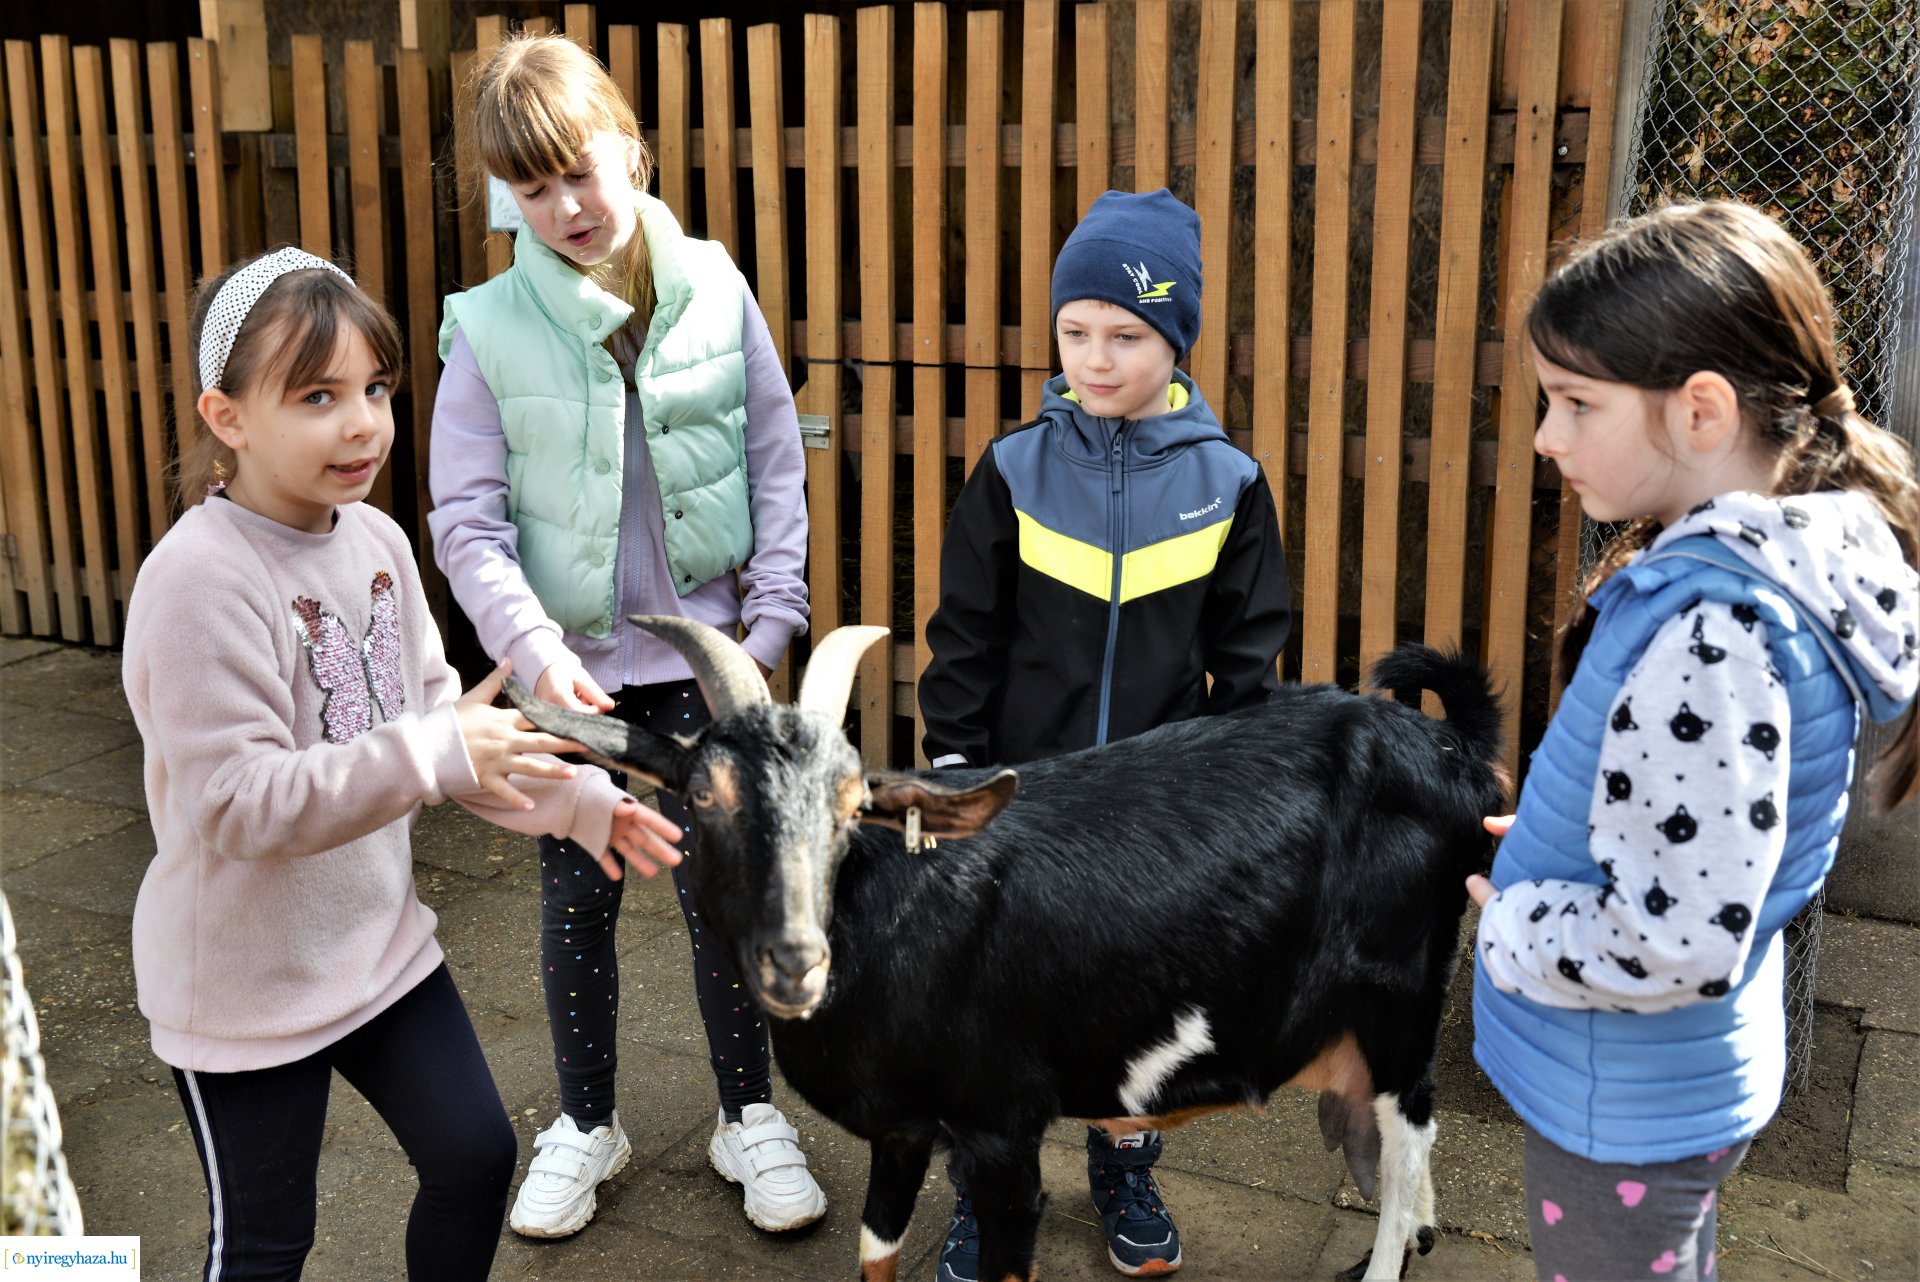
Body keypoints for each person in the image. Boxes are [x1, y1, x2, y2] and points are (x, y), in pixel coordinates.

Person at [124, 247, 686, 1282]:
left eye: (376, 388)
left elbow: (440, 729)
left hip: (378, 951)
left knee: (476, 1157)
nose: (363, 422)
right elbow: (236, 803)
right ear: (227, 417)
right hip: (241, 991)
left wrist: (578, 804)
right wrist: (433, 750)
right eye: (317, 395)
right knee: (263, 1245)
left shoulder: (377, 542)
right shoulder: (197, 581)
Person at [1468, 200, 1919, 1282]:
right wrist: (1569, 831)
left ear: (1702, 411)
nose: (1546, 435)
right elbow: (1701, 831)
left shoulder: (1718, 635)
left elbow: (1678, 939)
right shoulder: (1763, 570)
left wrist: (1518, 922)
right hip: (1661, 1080)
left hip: (1621, 1094)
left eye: (1576, 402)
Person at [428, 33, 818, 1241]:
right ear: (507, 194)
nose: (566, 207)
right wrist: (536, 650)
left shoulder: (713, 282)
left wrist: (772, 619)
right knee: (576, 896)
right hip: (574, 683)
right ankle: (587, 1121)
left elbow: (772, 447)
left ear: (631, 150)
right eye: (532, 188)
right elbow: (467, 520)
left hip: (711, 665)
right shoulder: (489, 328)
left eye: (582, 172)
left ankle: (749, 1114)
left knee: (726, 895)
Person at [918, 187, 1293, 1280]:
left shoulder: (1228, 482)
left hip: (1157, 814)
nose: (1095, 357)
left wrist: (1237, 799)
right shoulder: (1014, 470)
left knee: (1137, 999)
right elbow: (965, 636)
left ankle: (1126, 1168)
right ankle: (993, 1194)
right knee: (1001, 1007)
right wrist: (955, 769)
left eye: (1126, 336)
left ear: (1175, 342)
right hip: (1023, 801)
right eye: (1075, 331)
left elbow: (1249, 658)